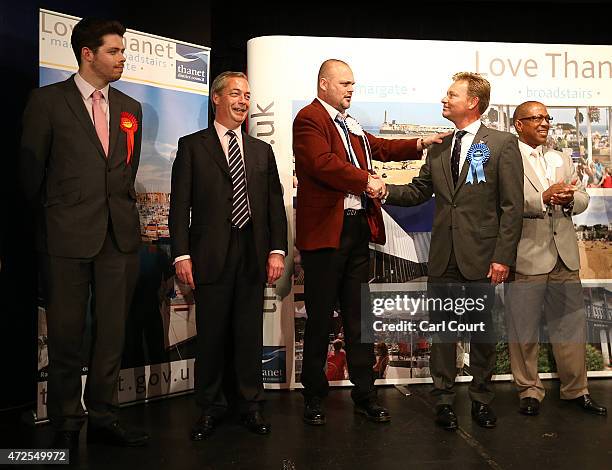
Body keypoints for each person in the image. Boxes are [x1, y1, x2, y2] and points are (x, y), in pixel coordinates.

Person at [293, 58, 447, 425]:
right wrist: (366, 181)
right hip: (325, 236)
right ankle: (314, 397)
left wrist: (420, 142)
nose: (350, 89)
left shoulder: (350, 123)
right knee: (319, 320)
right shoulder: (309, 119)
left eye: (353, 84)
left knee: (360, 319)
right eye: (344, 83)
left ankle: (365, 395)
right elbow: (322, 163)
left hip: (357, 230)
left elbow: (377, 146)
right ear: (324, 84)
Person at [20, 18, 148, 448]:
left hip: (119, 239)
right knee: (66, 336)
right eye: (114, 51)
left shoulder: (131, 107)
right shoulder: (47, 102)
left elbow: (125, 171)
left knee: (111, 335)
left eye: (123, 50)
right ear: (87, 54)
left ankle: (104, 416)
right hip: (65, 238)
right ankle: (65, 422)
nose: (122, 58)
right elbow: (30, 176)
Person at [382, 72, 524, 430]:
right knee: (443, 332)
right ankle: (444, 400)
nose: (444, 99)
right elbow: (418, 192)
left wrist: (502, 257)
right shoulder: (440, 146)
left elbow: (512, 207)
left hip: (482, 256)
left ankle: (480, 399)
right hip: (443, 255)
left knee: (481, 333)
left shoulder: (502, 144)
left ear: (472, 102)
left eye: (451, 94)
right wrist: (381, 190)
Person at [169, 71, 288, 440]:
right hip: (209, 255)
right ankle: (210, 408)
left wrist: (277, 250)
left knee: (248, 335)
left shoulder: (260, 150)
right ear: (216, 98)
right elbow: (179, 208)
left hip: (252, 254)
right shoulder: (191, 146)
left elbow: (273, 208)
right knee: (212, 336)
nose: (243, 101)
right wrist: (181, 256)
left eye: (247, 95)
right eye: (236, 93)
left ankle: (251, 405)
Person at [505, 101, 607, 417]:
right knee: (523, 329)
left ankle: (576, 391)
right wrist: (542, 198)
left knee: (571, 326)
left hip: (565, 255)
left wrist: (569, 199)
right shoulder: (507, 160)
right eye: (536, 117)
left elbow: (583, 197)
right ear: (518, 124)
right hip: (527, 255)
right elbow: (504, 205)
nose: (545, 122)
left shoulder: (561, 157)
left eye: (547, 117)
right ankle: (529, 391)